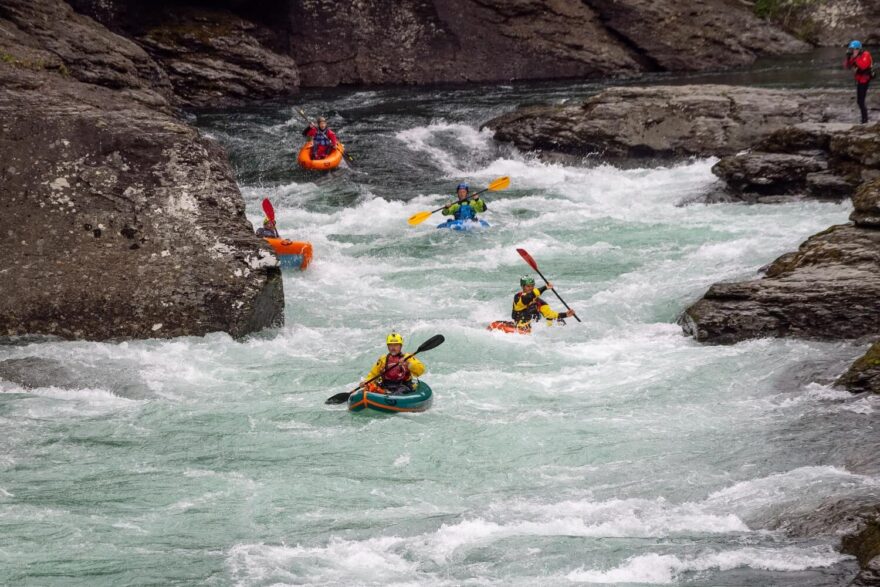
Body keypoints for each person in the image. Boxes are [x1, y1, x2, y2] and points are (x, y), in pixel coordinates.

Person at [844, 40, 873, 124]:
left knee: (861, 100)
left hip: (865, 79)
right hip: (859, 79)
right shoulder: (853, 56)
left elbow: (863, 66)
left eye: (855, 49)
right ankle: (864, 118)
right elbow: (847, 66)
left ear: (859, 49)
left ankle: (865, 120)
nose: (854, 51)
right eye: (852, 49)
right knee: (859, 101)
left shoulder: (866, 54)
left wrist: (855, 58)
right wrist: (848, 58)